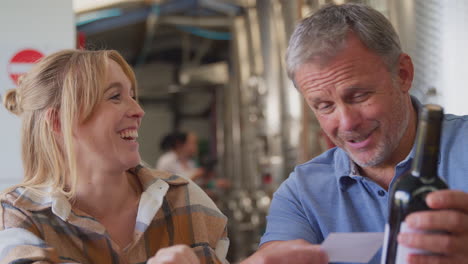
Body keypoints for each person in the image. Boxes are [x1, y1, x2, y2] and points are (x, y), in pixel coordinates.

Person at [242, 3, 468, 264]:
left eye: (359, 96)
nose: (347, 123)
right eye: (324, 106)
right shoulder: (302, 194)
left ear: (403, 74)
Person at [0, 49, 229, 264]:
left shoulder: (184, 199)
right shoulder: (17, 214)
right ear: (60, 122)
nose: (138, 111)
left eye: (131, 94)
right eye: (115, 97)